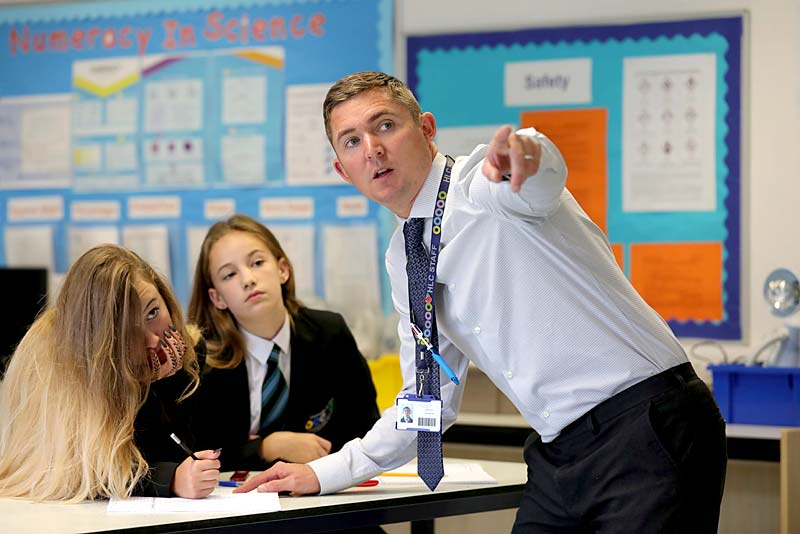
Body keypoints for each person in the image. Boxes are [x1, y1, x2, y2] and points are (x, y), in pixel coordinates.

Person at [234, 71, 728, 532]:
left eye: (386, 125)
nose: (374, 149)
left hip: (646, 422)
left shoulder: (482, 186)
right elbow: (427, 403)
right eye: (353, 141)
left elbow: (536, 178)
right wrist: (325, 473)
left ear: (426, 129)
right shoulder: (405, 261)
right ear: (344, 171)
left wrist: (524, 156)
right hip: (559, 449)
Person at [0, 244, 220, 502]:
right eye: (127, 329)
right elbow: (82, 473)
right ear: (99, 339)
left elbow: (192, 449)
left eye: (153, 312)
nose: (151, 339)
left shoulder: (189, 349)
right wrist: (168, 479)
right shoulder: (53, 362)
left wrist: (167, 383)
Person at [187, 214, 380, 471]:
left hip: (321, 493)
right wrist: (269, 446)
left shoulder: (329, 333)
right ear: (217, 297)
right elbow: (196, 452)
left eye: (257, 262)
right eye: (229, 275)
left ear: (282, 270)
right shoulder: (203, 358)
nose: (248, 279)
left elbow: (365, 428)